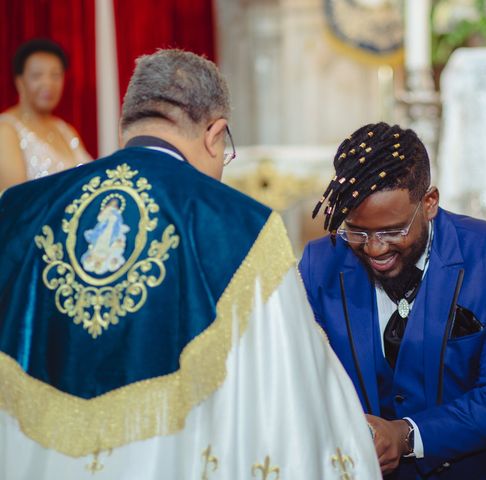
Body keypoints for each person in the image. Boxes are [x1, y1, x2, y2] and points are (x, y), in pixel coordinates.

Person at [0, 49, 381, 479]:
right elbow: (292, 392)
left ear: (129, 123)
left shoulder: (18, 212)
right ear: (215, 134)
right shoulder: (242, 228)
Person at [299, 122, 486, 479]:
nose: (374, 248)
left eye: (392, 231)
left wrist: (405, 436)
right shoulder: (320, 264)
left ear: (429, 203)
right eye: (357, 230)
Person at [0, 38, 91, 191]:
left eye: (55, 75)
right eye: (37, 76)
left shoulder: (65, 130)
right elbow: (14, 203)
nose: (48, 84)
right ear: (20, 82)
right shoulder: (6, 131)